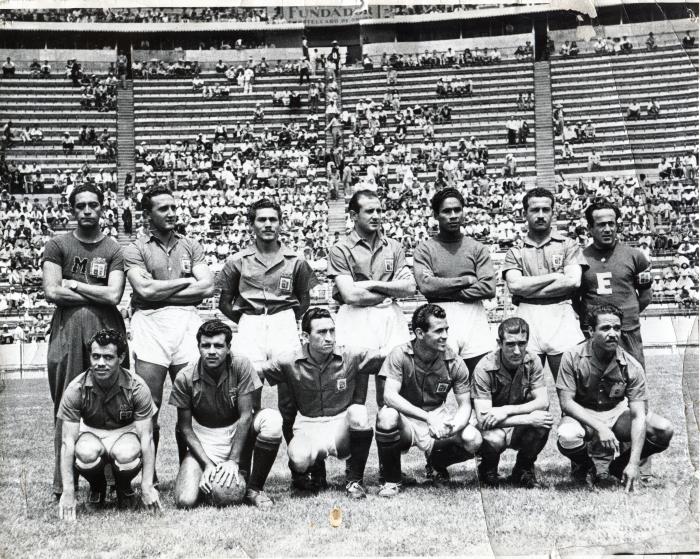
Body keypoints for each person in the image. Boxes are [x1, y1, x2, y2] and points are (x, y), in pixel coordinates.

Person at [218, 198, 318, 485]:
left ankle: (301, 468)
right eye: (261, 220)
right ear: (252, 225)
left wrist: (282, 317)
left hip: (283, 320)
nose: (268, 225)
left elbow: (304, 301)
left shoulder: (296, 260)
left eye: (273, 219)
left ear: (280, 223)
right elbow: (225, 302)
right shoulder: (238, 260)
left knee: (291, 400)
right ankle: (245, 473)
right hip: (250, 321)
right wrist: (249, 320)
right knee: (248, 401)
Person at [42, 183, 128, 498]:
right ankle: (62, 483)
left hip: (106, 329)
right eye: (81, 206)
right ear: (72, 210)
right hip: (67, 330)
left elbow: (114, 294)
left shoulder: (112, 248)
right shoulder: (57, 245)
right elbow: (52, 292)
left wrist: (75, 286)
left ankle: (107, 481)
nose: (88, 210)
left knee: (108, 403)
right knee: (67, 404)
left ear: (102, 208)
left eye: (93, 204)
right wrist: (94, 291)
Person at [123, 185, 214, 475]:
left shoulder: (190, 245)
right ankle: (150, 475)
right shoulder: (135, 248)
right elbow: (143, 290)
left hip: (187, 322)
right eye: (164, 208)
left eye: (173, 207)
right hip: (150, 323)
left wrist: (159, 291)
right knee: (150, 404)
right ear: (147, 215)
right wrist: (187, 284)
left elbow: (208, 286)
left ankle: (187, 473)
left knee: (191, 399)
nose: (172, 213)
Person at [258, 308, 384, 499]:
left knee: (359, 412)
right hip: (308, 424)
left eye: (332, 331)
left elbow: (391, 358)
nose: (329, 338)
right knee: (299, 459)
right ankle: (313, 470)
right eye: (322, 332)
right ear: (305, 336)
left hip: (341, 425)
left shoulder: (351, 355)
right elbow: (254, 372)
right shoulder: (288, 361)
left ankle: (355, 481)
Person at [556, 304, 674, 489]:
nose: (613, 333)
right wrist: (600, 427)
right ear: (590, 331)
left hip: (616, 412)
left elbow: (638, 416)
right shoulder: (571, 357)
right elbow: (566, 403)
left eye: (617, 328)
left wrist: (634, 464)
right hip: (583, 413)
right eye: (605, 328)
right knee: (567, 435)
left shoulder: (631, 364)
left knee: (663, 429)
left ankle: (619, 466)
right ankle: (589, 467)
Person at [170, 320, 282, 508]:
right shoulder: (185, 376)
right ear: (198, 347)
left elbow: (246, 415)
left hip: (238, 431)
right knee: (185, 501)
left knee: (272, 421)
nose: (212, 351)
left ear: (228, 347)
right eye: (206, 345)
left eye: (218, 345)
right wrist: (207, 464)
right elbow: (184, 427)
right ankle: (208, 478)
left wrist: (233, 460)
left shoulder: (241, 365)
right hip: (205, 438)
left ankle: (254, 489)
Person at [374, 304, 482, 497]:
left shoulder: (455, 361)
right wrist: (428, 418)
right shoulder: (399, 354)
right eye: (438, 330)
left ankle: (436, 463)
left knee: (472, 438)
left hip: (437, 415)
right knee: (386, 415)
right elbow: (389, 396)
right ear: (420, 333)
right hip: (406, 418)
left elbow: (465, 405)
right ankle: (391, 478)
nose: (445, 335)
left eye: (446, 329)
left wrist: (453, 427)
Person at [56, 329, 160, 520]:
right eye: (96, 356)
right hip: (91, 432)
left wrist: (147, 486)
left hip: (124, 433)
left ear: (120, 357)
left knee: (127, 455)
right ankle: (97, 487)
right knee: (85, 454)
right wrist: (68, 491)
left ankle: (123, 487)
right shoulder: (75, 388)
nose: (101, 363)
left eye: (108, 357)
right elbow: (67, 442)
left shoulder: (137, 387)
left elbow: (147, 438)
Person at [327, 189, 415, 408]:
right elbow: (350, 295)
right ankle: (356, 438)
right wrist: (390, 289)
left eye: (379, 210)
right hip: (355, 318)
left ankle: (388, 437)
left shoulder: (393, 246)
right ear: (354, 216)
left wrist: (372, 284)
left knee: (390, 391)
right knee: (355, 394)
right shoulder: (341, 248)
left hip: (390, 317)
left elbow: (410, 287)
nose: (376, 215)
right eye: (369, 211)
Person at [502, 187, 587, 380]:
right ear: (525, 213)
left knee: (570, 386)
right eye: (535, 210)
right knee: (526, 387)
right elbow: (515, 286)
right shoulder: (515, 250)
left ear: (552, 212)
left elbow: (573, 281)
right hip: (527, 315)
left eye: (546, 210)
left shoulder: (568, 244)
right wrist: (555, 276)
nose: (541, 215)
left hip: (561, 313)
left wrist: (529, 289)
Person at [412, 188, 495, 374]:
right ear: (435, 215)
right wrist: (466, 280)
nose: (453, 215)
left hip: (474, 316)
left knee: (481, 383)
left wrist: (442, 288)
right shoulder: (425, 249)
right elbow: (426, 286)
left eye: (457, 210)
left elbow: (488, 288)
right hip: (439, 317)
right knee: (435, 386)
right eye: (446, 211)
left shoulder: (477, 248)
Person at [471, 317, 552, 487]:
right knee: (496, 438)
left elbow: (543, 401)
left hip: (511, 421)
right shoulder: (484, 367)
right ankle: (488, 469)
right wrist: (528, 419)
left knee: (542, 420)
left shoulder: (533, 360)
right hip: (491, 427)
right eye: (510, 344)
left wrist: (506, 410)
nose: (517, 351)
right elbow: (483, 418)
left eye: (522, 344)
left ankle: (523, 470)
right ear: (499, 343)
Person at [577, 200, 652, 367]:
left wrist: (628, 315)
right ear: (590, 228)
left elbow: (646, 296)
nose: (608, 229)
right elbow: (576, 300)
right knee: (595, 386)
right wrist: (592, 320)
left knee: (634, 381)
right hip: (595, 333)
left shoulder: (635, 256)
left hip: (627, 331)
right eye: (601, 225)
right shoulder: (579, 259)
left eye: (612, 224)